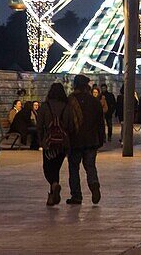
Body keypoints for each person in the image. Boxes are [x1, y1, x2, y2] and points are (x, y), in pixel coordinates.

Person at [36, 82, 79, 206]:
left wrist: (40, 140)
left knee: (48, 167)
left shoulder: (45, 106)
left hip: (49, 142)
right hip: (62, 143)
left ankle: (54, 186)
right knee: (56, 167)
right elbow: (71, 126)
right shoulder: (67, 107)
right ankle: (52, 196)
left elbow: (39, 125)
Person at [67, 74, 105, 205]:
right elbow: (100, 122)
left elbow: (67, 121)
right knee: (90, 166)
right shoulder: (94, 101)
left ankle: (76, 195)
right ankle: (94, 184)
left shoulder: (70, 101)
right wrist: (101, 138)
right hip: (91, 140)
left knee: (73, 168)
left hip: (74, 140)